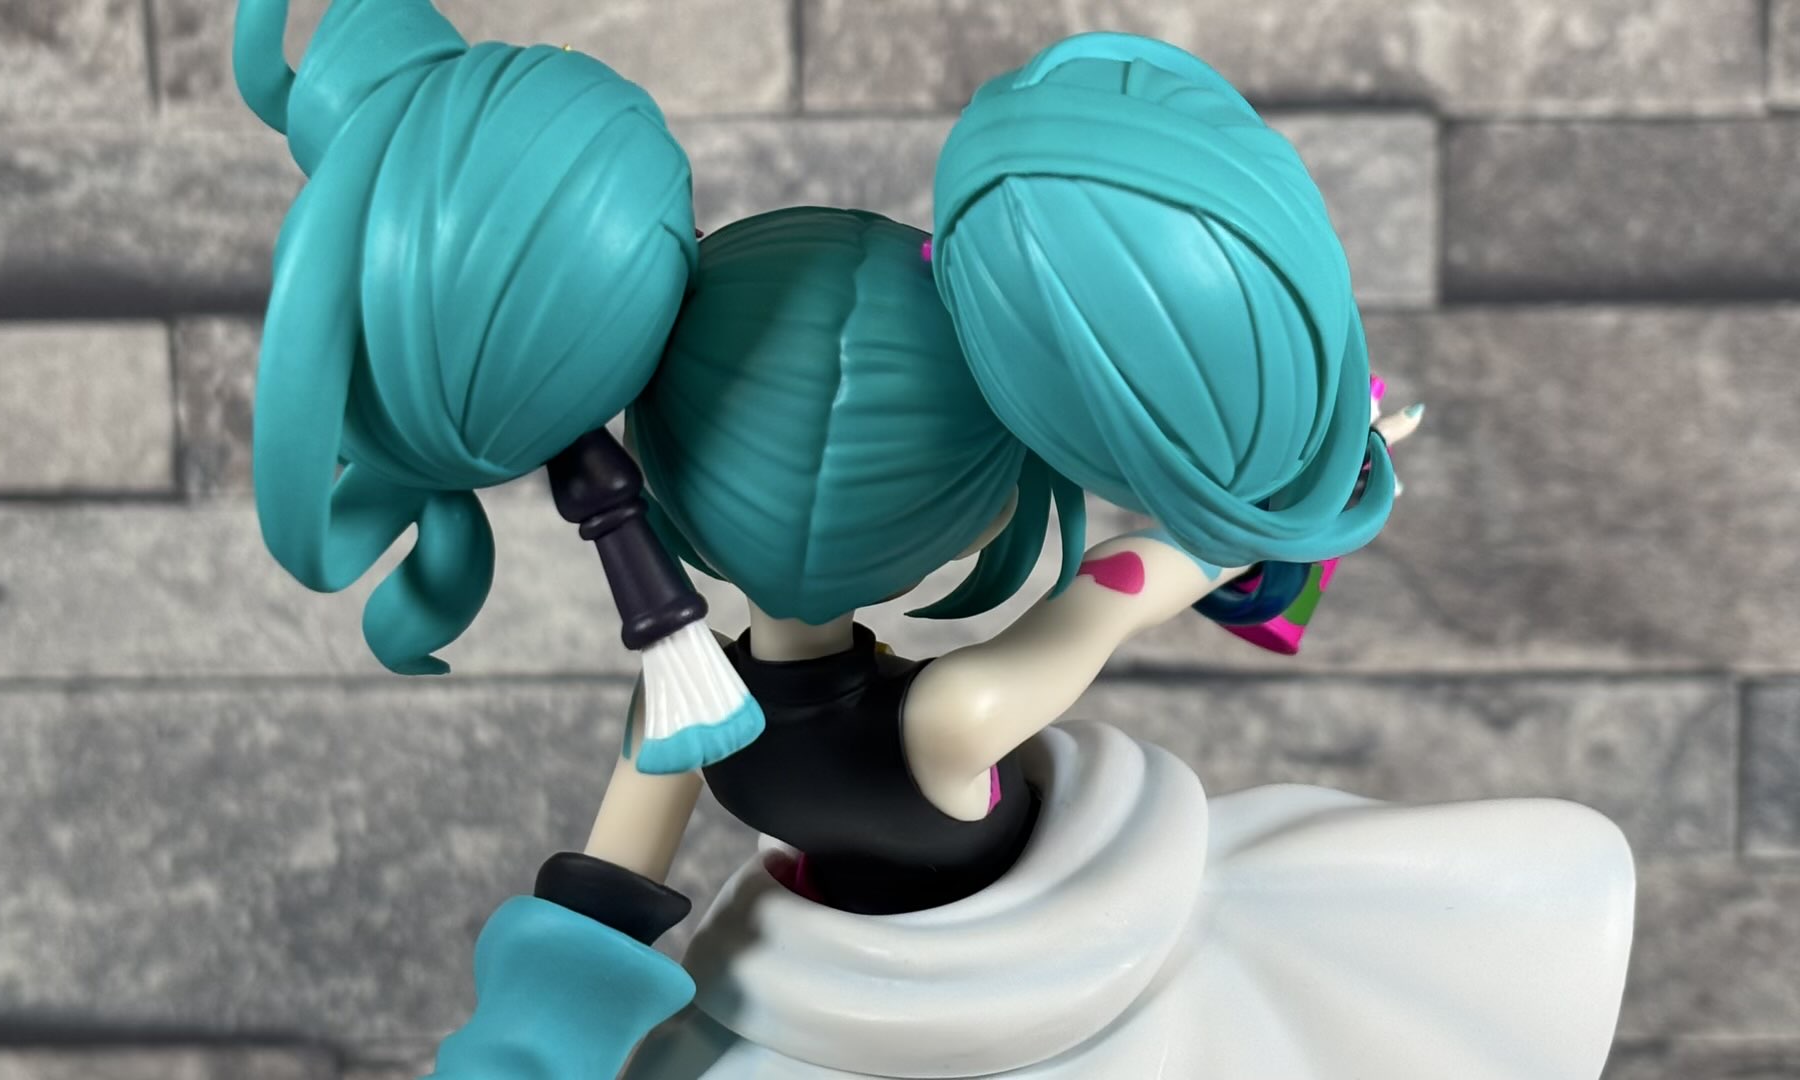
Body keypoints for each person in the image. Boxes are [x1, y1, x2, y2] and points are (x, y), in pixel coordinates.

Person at [234, 3, 1634, 1075]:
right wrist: (1295, 494)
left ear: (660, 464)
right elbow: (1117, 589)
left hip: (812, 1004)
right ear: (968, 510)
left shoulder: (687, 702)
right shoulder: (949, 718)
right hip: (1037, 997)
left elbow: (600, 904)